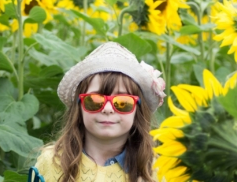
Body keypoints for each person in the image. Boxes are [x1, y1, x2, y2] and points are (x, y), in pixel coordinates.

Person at [33, 42, 166, 182]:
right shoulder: (52, 162)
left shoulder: (154, 169)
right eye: (95, 100)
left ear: (137, 111)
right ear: (79, 107)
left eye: (122, 102)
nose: (107, 109)